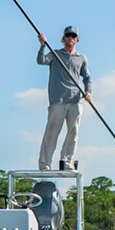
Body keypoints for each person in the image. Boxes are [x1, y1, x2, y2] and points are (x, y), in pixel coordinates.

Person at [36, 25, 92, 171]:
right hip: (57, 101)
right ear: (63, 38)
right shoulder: (55, 54)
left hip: (75, 100)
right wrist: (42, 46)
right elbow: (41, 60)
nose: (70, 38)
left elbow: (87, 77)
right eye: (68, 35)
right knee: (51, 133)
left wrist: (88, 92)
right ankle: (45, 164)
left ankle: (67, 162)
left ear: (77, 39)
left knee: (73, 134)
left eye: (73, 36)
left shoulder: (81, 58)